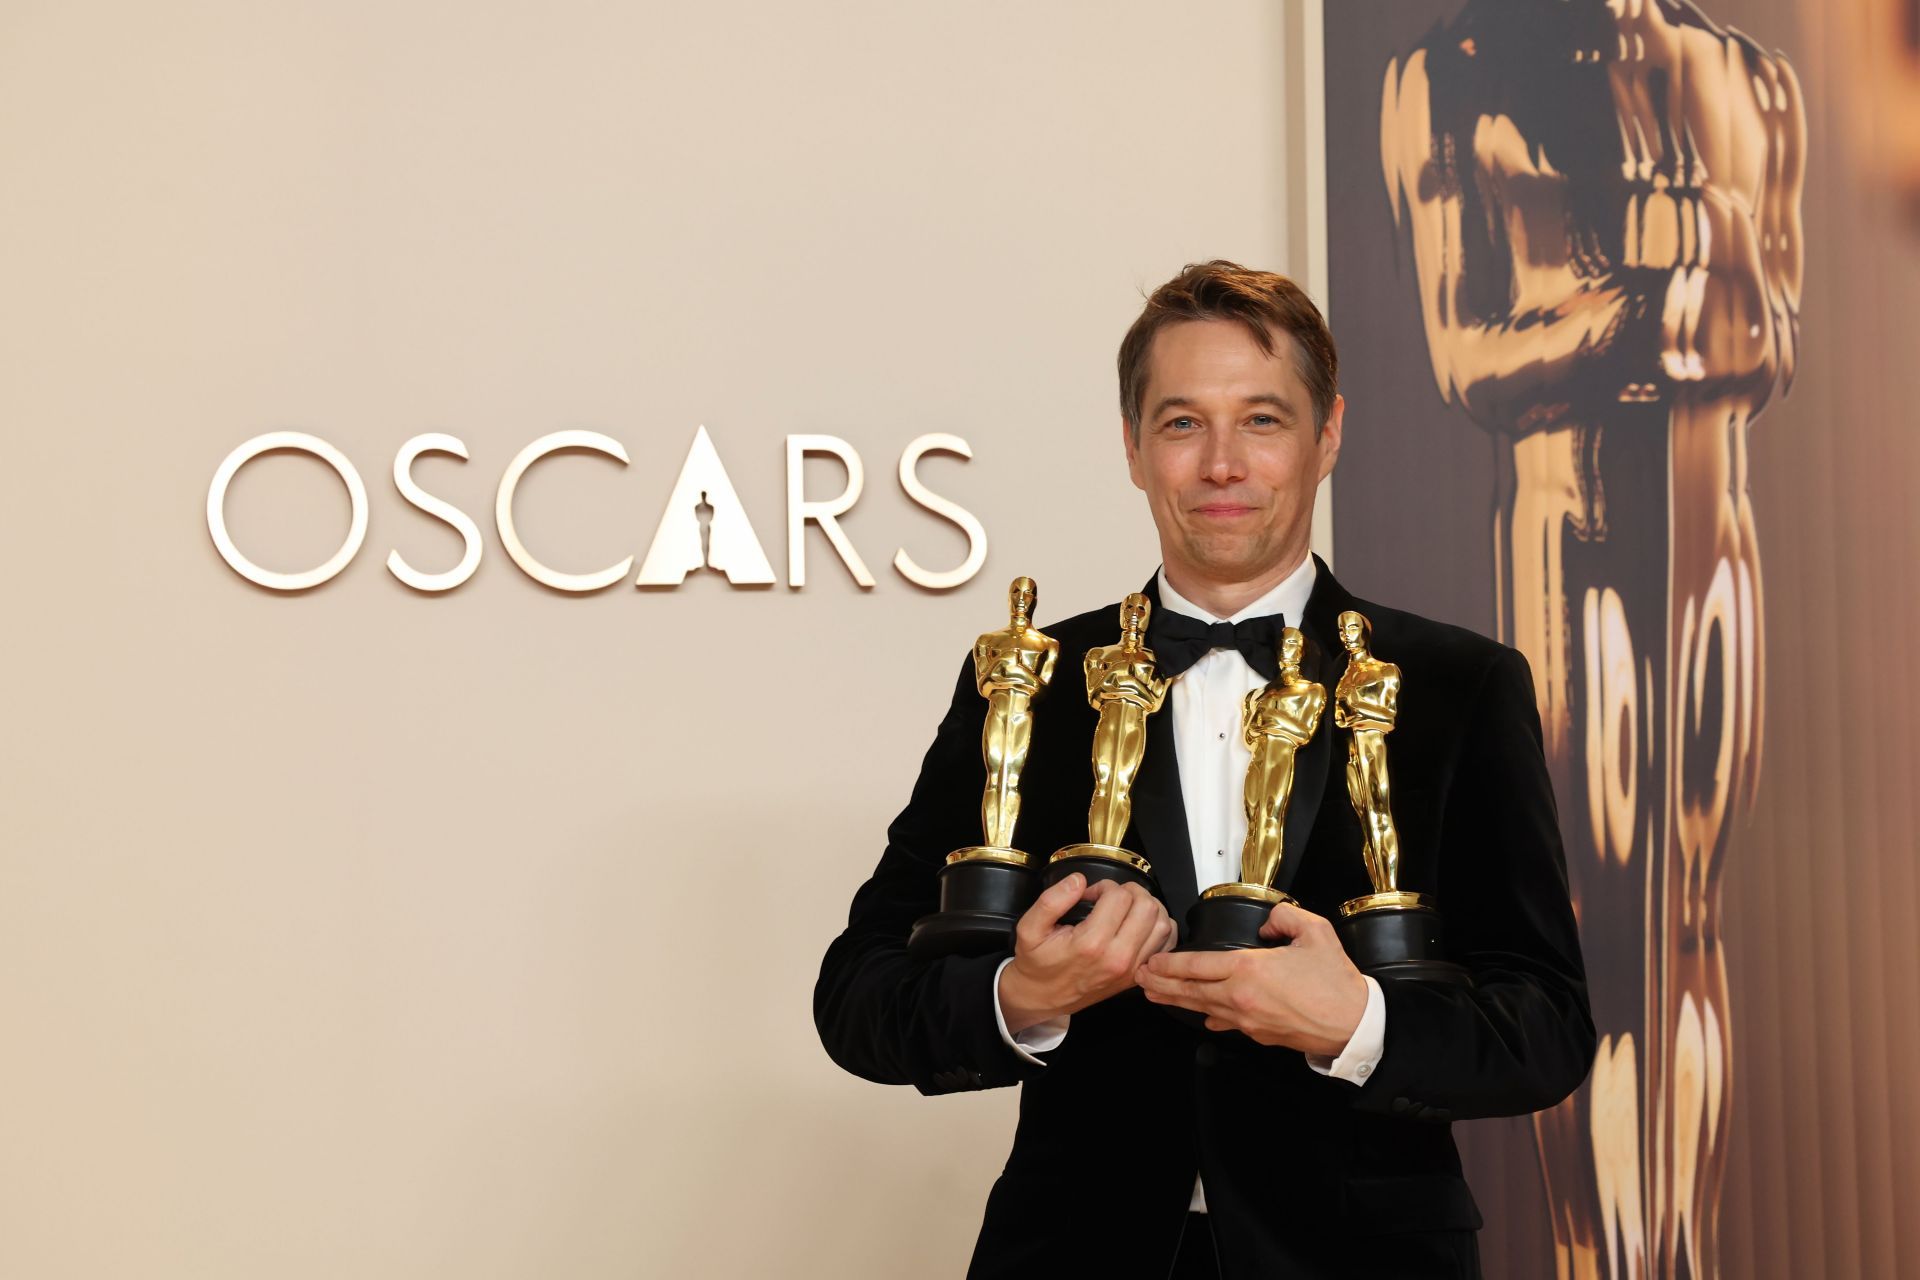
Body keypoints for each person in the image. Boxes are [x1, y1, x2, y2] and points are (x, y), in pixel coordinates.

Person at [814, 261, 1595, 1279]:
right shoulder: (1030, 681)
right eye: (1184, 423)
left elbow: (1546, 1026)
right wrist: (1023, 993)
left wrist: (1357, 1021)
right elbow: (859, 996)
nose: (1222, 463)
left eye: (1262, 420)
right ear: (1134, 447)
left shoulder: (1459, 685)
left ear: (1328, 436)